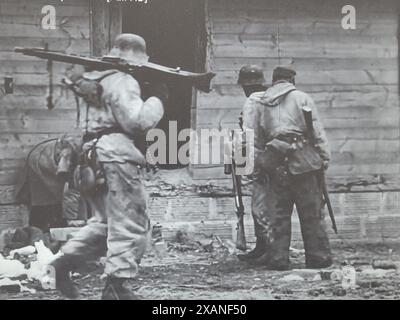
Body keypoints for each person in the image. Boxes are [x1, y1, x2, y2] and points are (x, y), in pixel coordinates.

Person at [49, 33, 168, 299]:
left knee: (104, 223)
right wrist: (158, 99)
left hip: (90, 156)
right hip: (116, 156)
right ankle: (116, 287)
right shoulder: (123, 81)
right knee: (130, 222)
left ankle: (63, 263)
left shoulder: (90, 81)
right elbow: (137, 123)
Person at [241, 65, 332, 270]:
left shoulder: (262, 101)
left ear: (274, 80)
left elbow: (257, 137)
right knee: (310, 211)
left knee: (278, 213)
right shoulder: (302, 98)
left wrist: (260, 163)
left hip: (275, 160)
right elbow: (316, 131)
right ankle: (318, 258)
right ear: (291, 80)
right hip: (303, 160)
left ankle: (278, 259)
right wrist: (324, 158)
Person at [236, 65, 268, 261]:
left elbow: (248, 136)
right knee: (270, 205)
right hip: (276, 158)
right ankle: (263, 247)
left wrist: (243, 164)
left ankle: (266, 249)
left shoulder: (251, 101)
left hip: (258, 159)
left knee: (259, 205)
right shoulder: (272, 99)